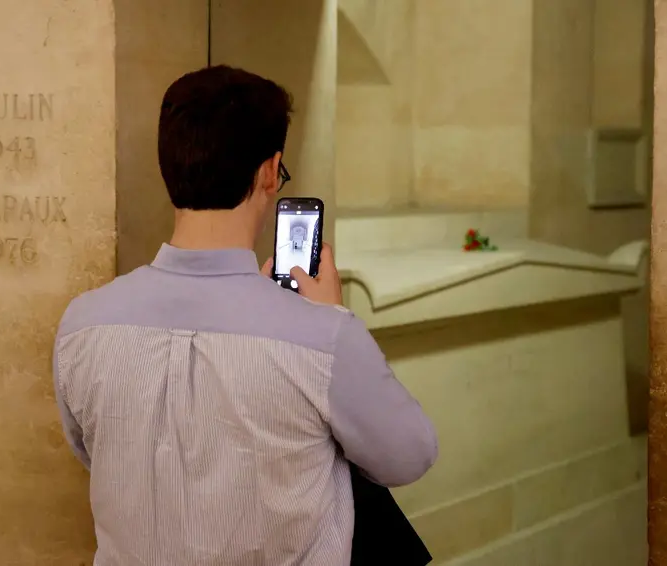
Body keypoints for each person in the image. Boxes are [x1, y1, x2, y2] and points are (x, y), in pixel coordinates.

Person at [53, 65, 438, 566]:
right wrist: (328, 316)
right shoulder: (323, 336)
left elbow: (93, 453)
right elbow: (408, 457)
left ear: (168, 164)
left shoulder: (83, 323)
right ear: (269, 171)